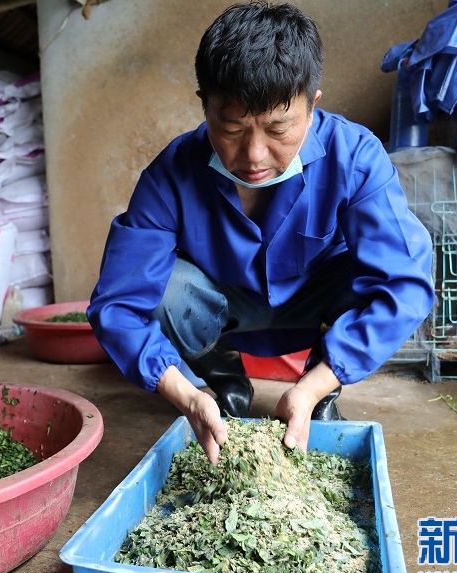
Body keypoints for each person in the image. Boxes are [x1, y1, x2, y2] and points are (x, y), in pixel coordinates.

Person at [87, 1, 435, 466]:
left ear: (313, 105)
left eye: (278, 128)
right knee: (165, 286)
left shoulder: (353, 157)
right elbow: (117, 304)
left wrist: (309, 388)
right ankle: (226, 384)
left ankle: (320, 390)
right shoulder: (172, 173)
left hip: (319, 305)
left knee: (387, 261)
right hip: (228, 312)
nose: (253, 154)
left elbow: (405, 285)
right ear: (204, 105)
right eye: (231, 127)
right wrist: (185, 394)